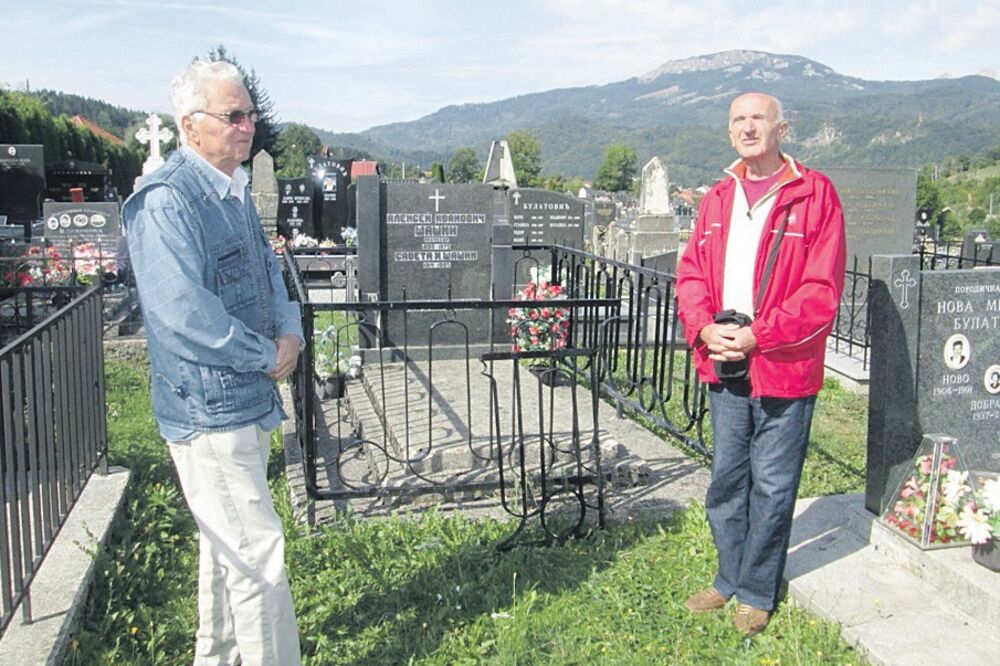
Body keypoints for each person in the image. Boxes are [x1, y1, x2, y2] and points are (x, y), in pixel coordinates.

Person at [123, 60, 303, 665]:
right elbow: (184, 316)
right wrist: (265, 354)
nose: (247, 125)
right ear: (190, 126)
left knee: (226, 550)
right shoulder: (166, 202)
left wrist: (291, 331)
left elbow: (269, 273)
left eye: (249, 113)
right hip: (208, 410)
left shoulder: (234, 190)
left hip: (247, 398)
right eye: (233, 115)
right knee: (257, 557)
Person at [675, 92, 846, 636]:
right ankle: (728, 577)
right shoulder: (717, 199)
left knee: (772, 483)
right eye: (738, 120)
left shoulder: (814, 195)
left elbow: (820, 291)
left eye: (758, 118)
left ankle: (756, 589)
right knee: (727, 478)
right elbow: (692, 274)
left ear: (782, 128)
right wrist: (705, 328)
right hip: (724, 360)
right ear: (730, 134)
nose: (748, 128)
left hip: (782, 363)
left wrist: (756, 335)